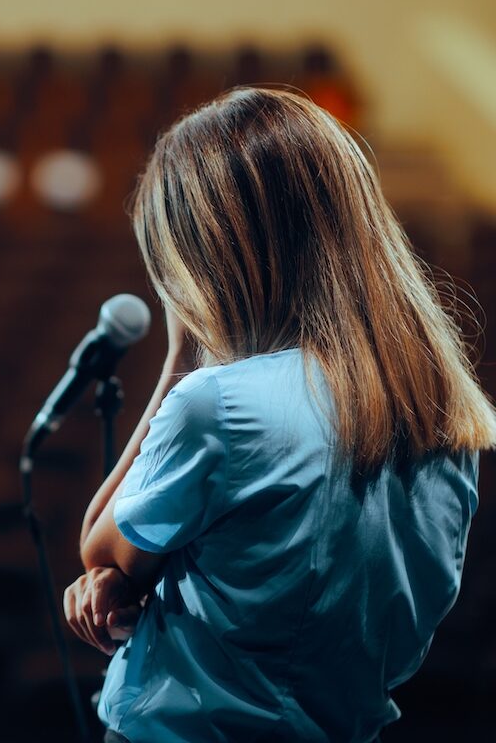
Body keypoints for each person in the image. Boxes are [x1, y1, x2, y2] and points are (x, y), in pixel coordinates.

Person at [62, 86, 496, 743]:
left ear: (211, 254)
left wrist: (182, 357)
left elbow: (99, 542)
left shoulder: (217, 405)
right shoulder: (444, 412)